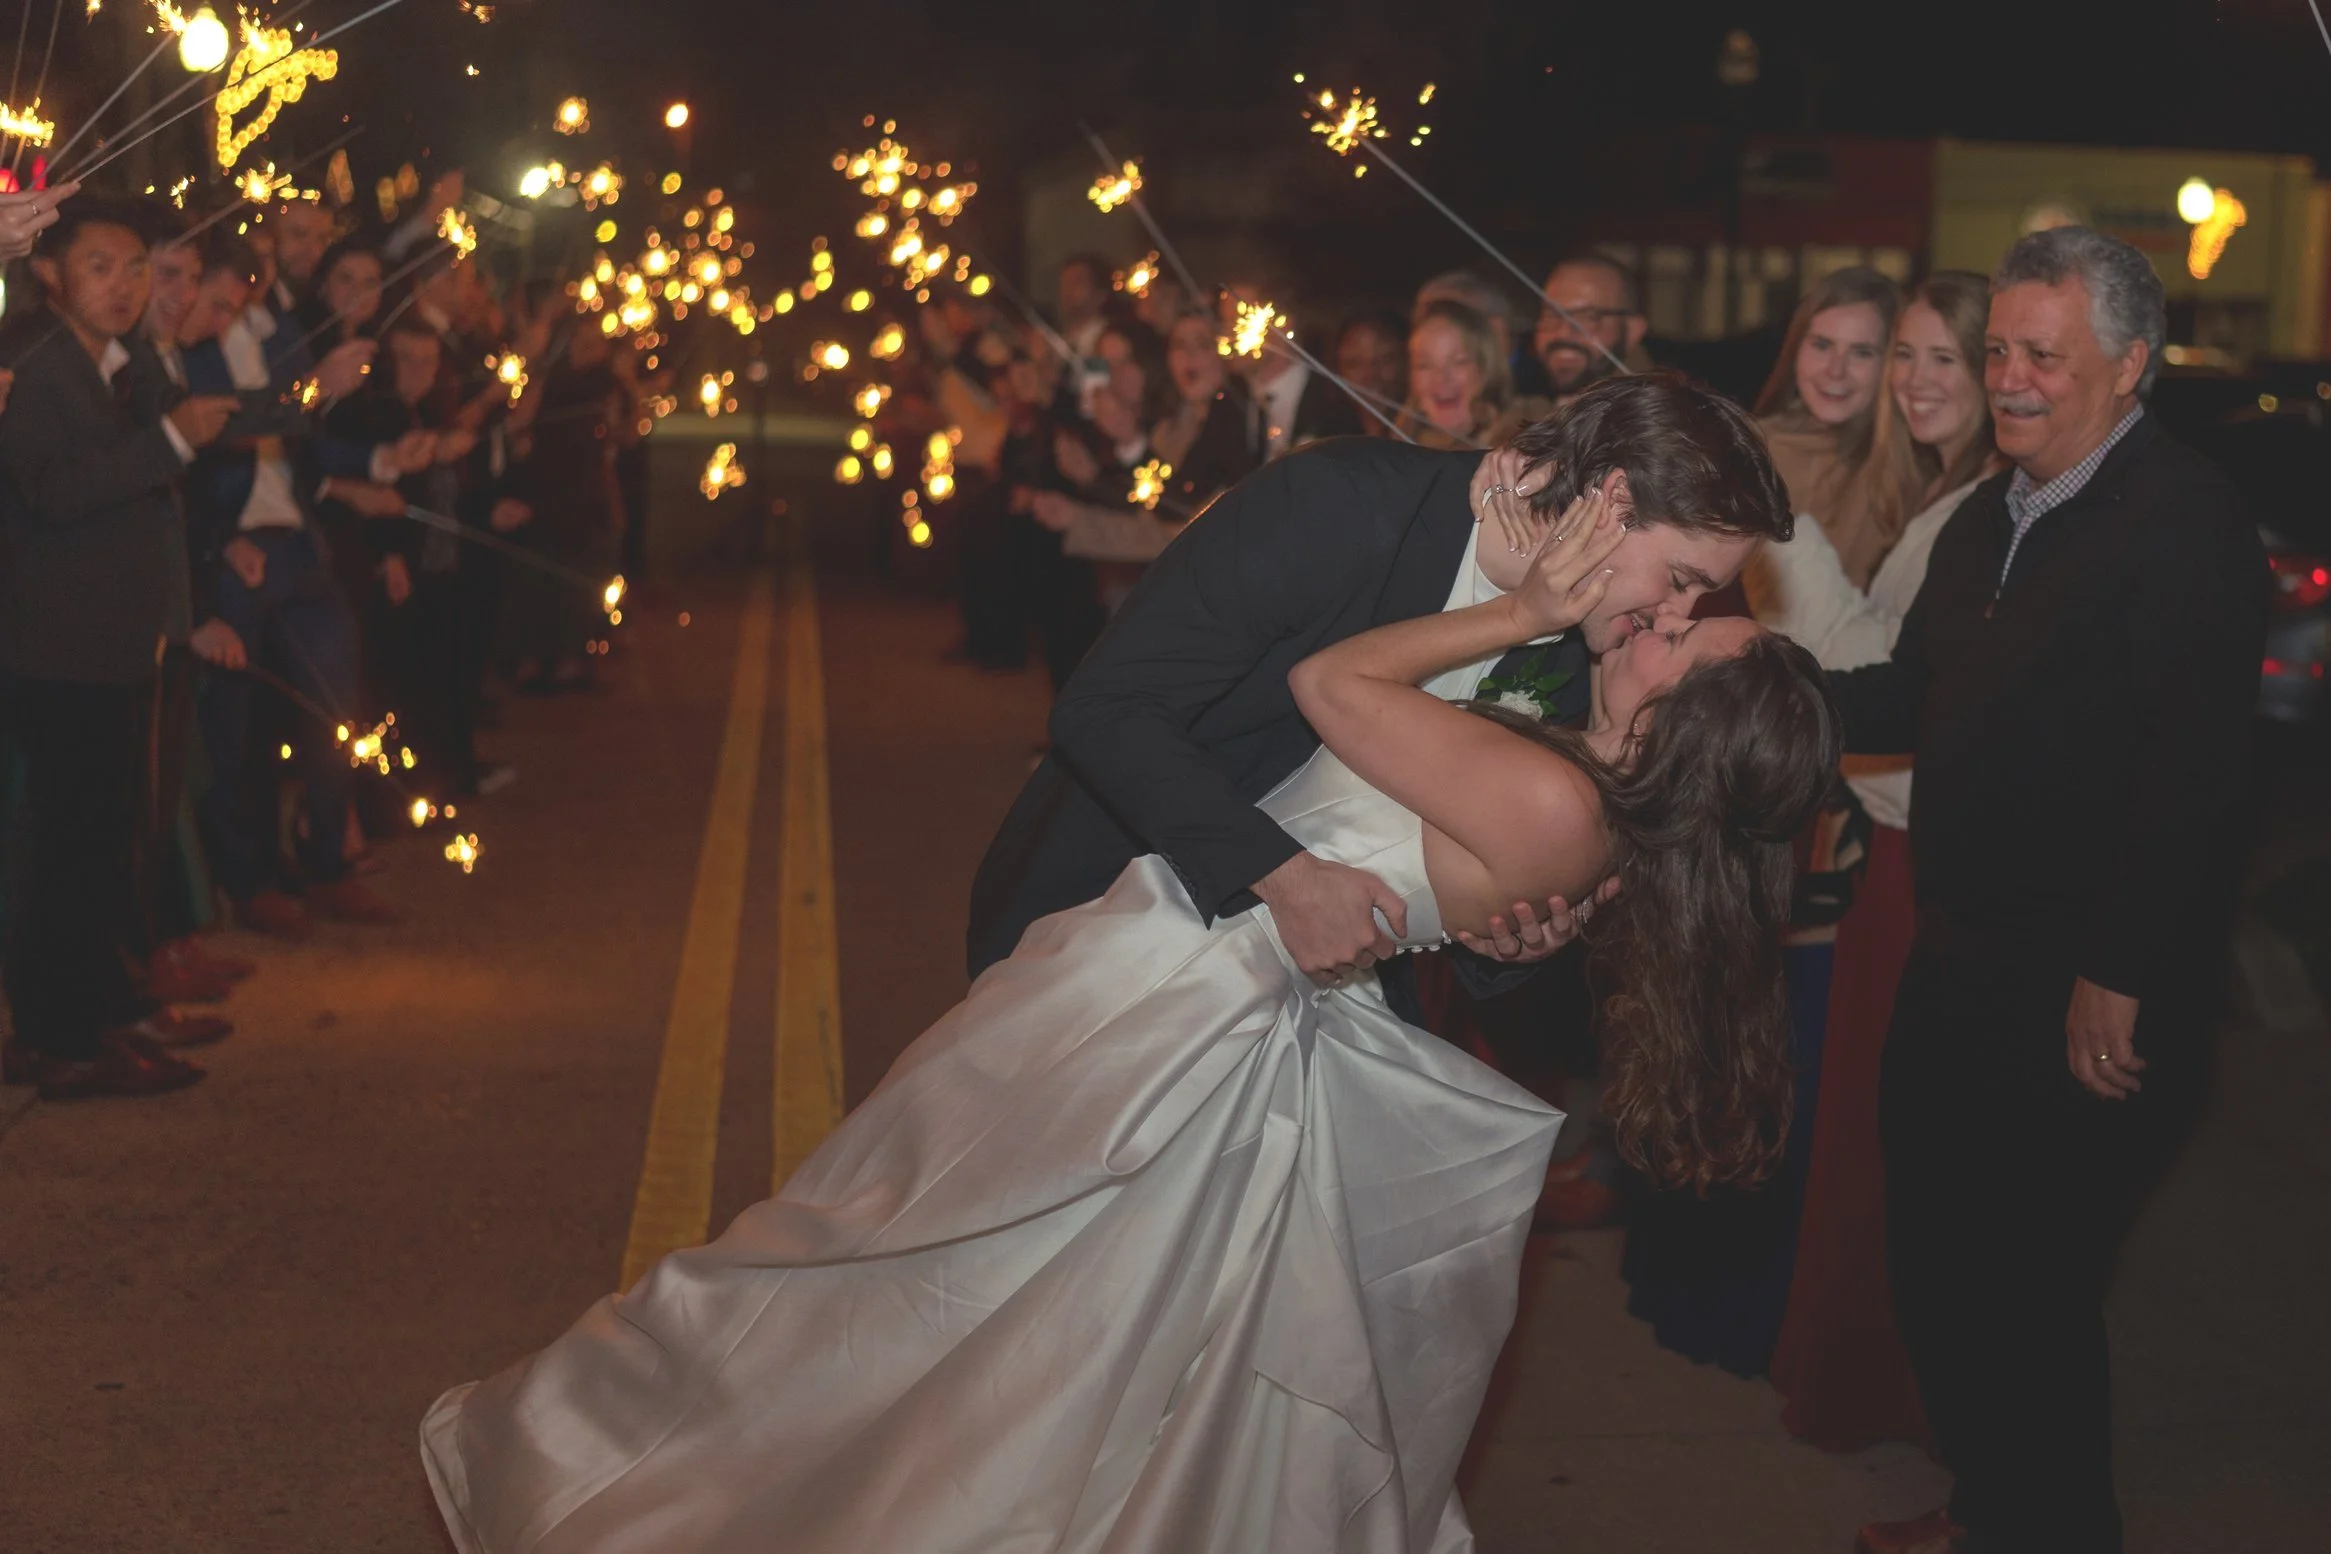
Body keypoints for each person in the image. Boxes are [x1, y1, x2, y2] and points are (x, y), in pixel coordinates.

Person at [422, 483, 1842, 1554]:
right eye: (1673, 600)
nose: (1649, 620)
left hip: (1178, 1010)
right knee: (1024, 1328)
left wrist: (1521, 612)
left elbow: (1331, 686)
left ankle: (667, 1479)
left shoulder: (1553, 795)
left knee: (918, 1272)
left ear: (1692, 736)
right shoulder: (1566, 779)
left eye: (1678, 636)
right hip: (1215, 997)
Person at [1831, 229, 2267, 1554]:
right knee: (1937, 1256)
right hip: (1962, 958)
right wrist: (1748, 684)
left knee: (2028, 1281)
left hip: (2087, 976)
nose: (2007, 380)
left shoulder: (2180, 523)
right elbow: (1904, 694)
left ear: (2126, 366)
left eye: (2040, 355)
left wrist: (2116, 971)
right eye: (1998, 352)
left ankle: (2053, 1526)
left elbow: (2191, 782)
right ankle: (1990, 1503)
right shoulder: (1985, 515)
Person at [966, 374, 1795, 1012]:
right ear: (1611, 502)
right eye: (1683, 579)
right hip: (1101, 925)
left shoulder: (1584, 663)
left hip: (1301, 1014)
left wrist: (1506, 942)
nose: (1676, 613)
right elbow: (1104, 708)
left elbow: (1432, 871)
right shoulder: (1338, 503)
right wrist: (1280, 876)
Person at [1749, 271, 2003, 1454]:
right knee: (1869, 1133)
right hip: (1894, 847)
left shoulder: (1982, 512)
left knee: (1892, 1145)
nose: (1913, 380)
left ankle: (1902, 1400)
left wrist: (1788, 542)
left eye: (1943, 357)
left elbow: (1900, 691)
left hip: (1916, 853)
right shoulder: (1949, 500)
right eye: (1909, 356)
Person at [0, 197, 238, 1100]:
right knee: (67, 848)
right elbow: (53, 491)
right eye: (101, 267)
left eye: (137, 268)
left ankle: (103, 1010)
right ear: (48, 270)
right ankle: (56, 1037)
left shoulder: (120, 357)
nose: (126, 287)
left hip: (116, 641)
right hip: (55, 644)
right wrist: (169, 443)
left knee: (107, 840)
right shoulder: (27, 355)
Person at [1752, 266, 1926, 590]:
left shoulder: (1911, 470)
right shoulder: (1748, 447)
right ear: (1796, 349)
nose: (1835, 370)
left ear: (1892, 362)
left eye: (1861, 352)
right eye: (1821, 345)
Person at [1531, 251, 1650, 403]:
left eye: (1587, 317)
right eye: (1551, 315)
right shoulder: (1526, 414)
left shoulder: (1654, 418)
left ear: (1633, 330)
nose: (1563, 333)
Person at [1397, 298, 1510, 449]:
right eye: (1424, 365)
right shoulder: (1395, 453)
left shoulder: (1526, 443)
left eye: (1459, 361)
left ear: (1485, 368)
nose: (1441, 378)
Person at [1333, 307, 1409, 434]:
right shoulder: (1327, 439)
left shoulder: (1432, 442)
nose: (1371, 375)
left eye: (1385, 359)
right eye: (1354, 363)